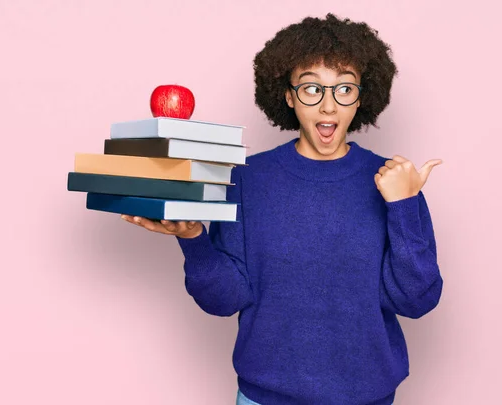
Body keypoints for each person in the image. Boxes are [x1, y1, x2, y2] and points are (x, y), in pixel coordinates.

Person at [121, 13, 444, 405]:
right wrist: (193, 238)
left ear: (361, 96)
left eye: (344, 89)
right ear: (288, 96)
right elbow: (225, 300)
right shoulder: (247, 180)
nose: (328, 107)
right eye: (311, 89)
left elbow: (416, 301)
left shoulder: (394, 183)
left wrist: (404, 205)